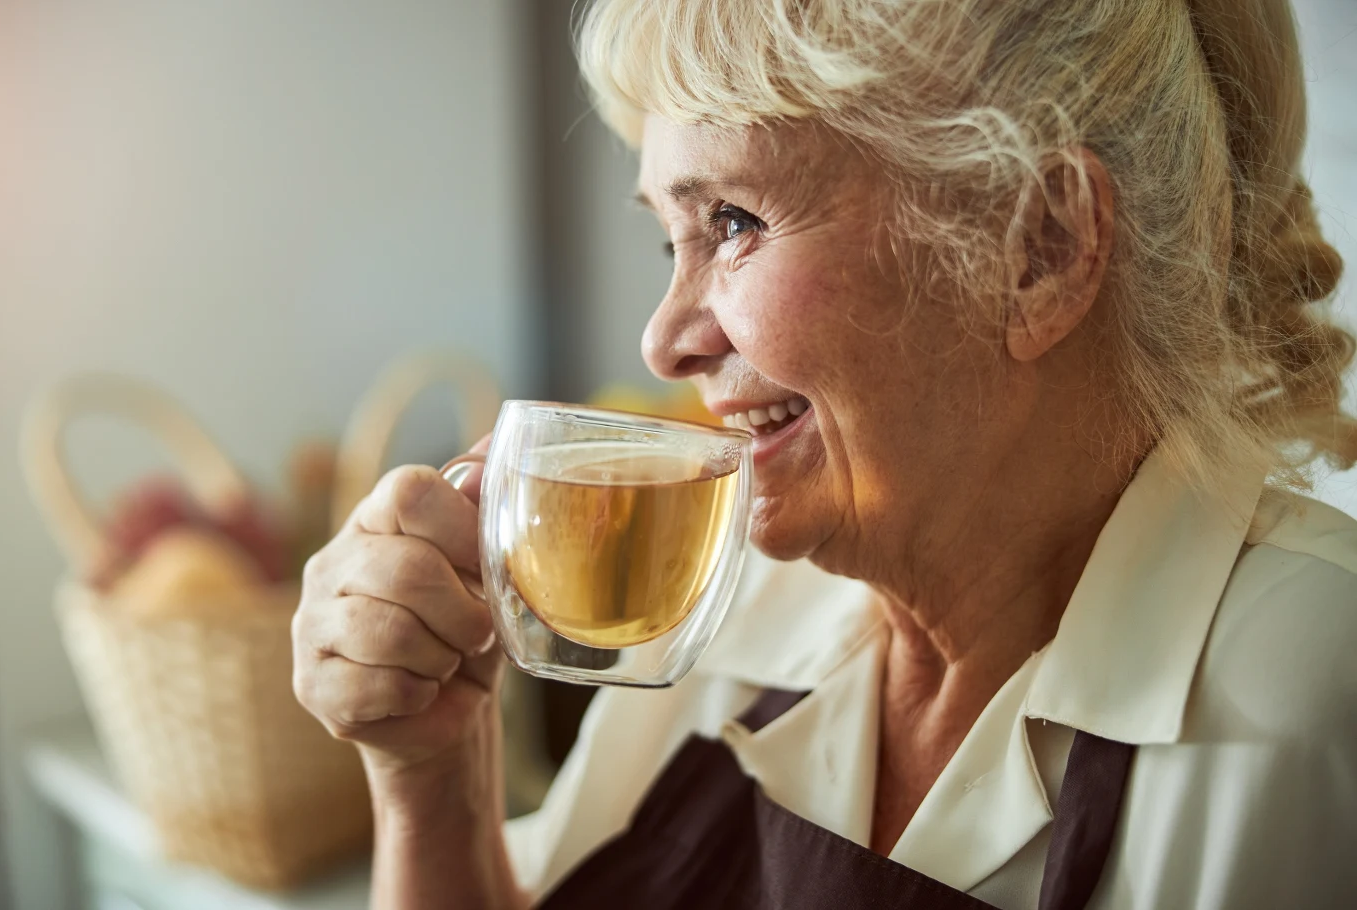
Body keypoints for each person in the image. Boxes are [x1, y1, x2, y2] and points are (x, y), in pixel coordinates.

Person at [292, 0, 1357, 906]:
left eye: (736, 220)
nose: (663, 339)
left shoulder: (1311, 691)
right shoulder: (733, 604)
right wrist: (431, 777)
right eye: (671, 239)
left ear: (1040, 249)